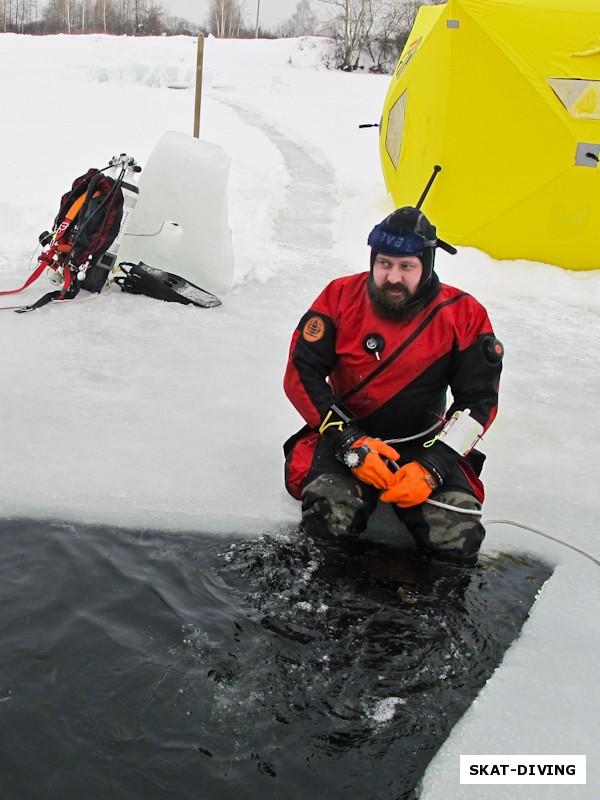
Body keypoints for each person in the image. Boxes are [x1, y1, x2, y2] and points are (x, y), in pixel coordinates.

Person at [283, 206, 503, 563]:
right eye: (384, 264)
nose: (393, 277)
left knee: (458, 538)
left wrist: (434, 465)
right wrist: (349, 442)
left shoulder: (464, 314)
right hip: (345, 434)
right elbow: (301, 374)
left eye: (407, 267)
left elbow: (478, 401)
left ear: (427, 265)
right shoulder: (339, 297)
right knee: (330, 522)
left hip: (424, 441)